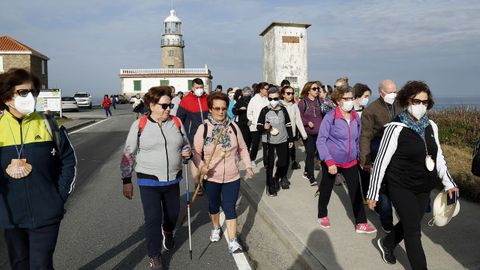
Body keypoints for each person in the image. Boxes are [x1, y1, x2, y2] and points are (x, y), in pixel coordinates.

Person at [367, 81, 459, 269]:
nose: (421, 105)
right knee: (413, 231)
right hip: (400, 185)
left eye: (425, 102)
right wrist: (373, 192)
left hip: (423, 185)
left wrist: (449, 183)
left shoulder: (431, 126)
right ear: (406, 100)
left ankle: (388, 243)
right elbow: (381, 162)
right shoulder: (394, 128)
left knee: (412, 222)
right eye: (416, 101)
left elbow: (438, 156)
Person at [0, 68, 77, 269]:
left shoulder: (49, 124)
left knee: (40, 264)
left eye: (33, 92)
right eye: (23, 92)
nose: (30, 97)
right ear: (7, 98)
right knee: (19, 264)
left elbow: (69, 162)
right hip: (11, 217)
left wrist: (57, 198)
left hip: (47, 213)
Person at [121, 86, 191, 269]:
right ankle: (154, 255)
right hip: (148, 179)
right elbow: (128, 154)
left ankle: (168, 231)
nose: (169, 109)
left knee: (172, 215)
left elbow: (186, 145)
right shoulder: (140, 125)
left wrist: (187, 152)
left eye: (170, 105)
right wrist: (126, 180)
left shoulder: (176, 123)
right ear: (152, 105)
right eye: (164, 106)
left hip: (173, 179)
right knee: (152, 218)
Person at [191, 92, 254, 253]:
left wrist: (248, 166)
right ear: (210, 109)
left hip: (232, 176)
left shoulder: (233, 127)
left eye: (224, 109)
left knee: (230, 207)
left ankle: (233, 241)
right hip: (211, 177)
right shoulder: (203, 128)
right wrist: (201, 165)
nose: (221, 112)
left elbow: (242, 148)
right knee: (213, 205)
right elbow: (196, 152)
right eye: (217, 108)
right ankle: (216, 226)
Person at [316, 85, 376, 234]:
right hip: (332, 162)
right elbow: (321, 141)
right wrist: (328, 161)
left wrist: (360, 159)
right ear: (338, 99)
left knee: (355, 191)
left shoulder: (355, 117)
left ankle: (361, 222)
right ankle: (322, 214)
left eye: (351, 98)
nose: (349, 101)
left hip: (351, 161)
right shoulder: (331, 117)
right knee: (326, 188)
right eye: (346, 98)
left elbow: (357, 140)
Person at [359, 79, 401, 232]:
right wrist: (365, 159)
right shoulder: (371, 110)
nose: (393, 94)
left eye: (395, 91)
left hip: (398, 153)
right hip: (378, 151)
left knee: (396, 186)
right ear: (381, 92)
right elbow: (365, 136)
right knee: (382, 190)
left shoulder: (400, 104)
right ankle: (387, 222)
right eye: (390, 92)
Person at [257, 87, 294, 196]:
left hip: (283, 139)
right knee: (270, 165)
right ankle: (270, 187)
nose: (273, 101)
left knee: (283, 163)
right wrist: (265, 126)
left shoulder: (283, 109)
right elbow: (258, 126)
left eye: (275, 98)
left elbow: (288, 124)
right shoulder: (265, 110)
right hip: (269, 141)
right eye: (270, 98)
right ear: (268, 98)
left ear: (279, 98)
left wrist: (291, 138)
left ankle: (277, 177)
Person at [176, 78, 209, 195]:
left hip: (208, 134)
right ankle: (197, 183)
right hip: (192, 136)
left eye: (201, 87)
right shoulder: (186, 100)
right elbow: (179, 118)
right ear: (192, 88)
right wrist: (181, 134)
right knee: (195, 159)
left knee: (206, 158)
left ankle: (206, 180)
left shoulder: (208, 98)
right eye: (197, 88)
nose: (199, 90)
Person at [298, 81, 323, 185]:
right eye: (314, 89)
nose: (316, 90)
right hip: (308, 132)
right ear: (308, 90)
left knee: (317, 153)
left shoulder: (321, 101)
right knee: (310, 153)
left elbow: (325, 114)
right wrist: (307, 122)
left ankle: (306, 169)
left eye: (317, 88)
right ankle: (311, 176)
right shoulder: (303, 102)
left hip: (320, 132)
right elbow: (299, 116)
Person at [281, 85, 307, 170]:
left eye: (292, 93)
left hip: (291, 133)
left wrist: (304, 134)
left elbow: (298, 120)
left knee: (292, 149)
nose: (291, 95)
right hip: (280, 134)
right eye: (288, 93)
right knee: (283, 154)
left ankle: (293, 162)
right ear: (283, 94)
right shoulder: (278, 105)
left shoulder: (294, 106)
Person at [246, 82, 269, 168]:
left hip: (265, 126)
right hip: (255, 127)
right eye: (266, 89)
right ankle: (252, 159)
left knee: (266, 144)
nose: (268, 90)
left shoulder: (267, 100)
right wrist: (255, 122)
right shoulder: (253, 99)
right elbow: (249, 113)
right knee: (255, 144)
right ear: (261, 90)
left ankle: (266, 163)